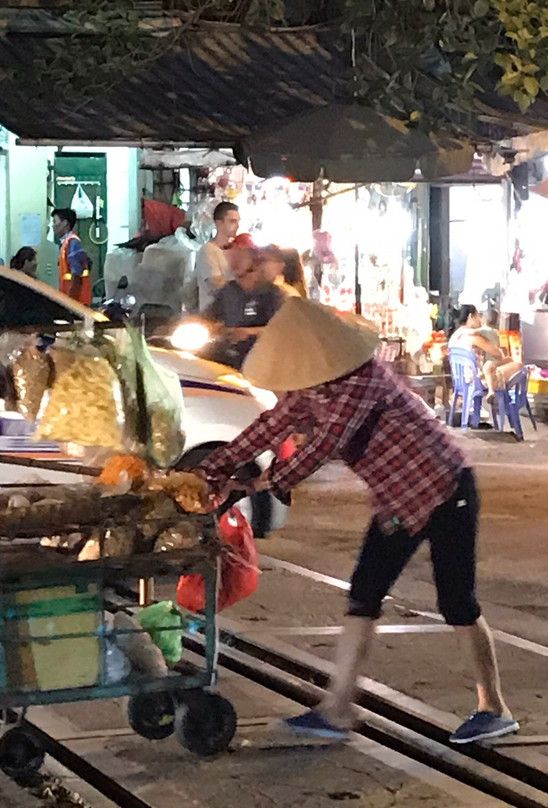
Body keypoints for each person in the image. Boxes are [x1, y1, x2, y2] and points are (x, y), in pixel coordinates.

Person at [197, 298, 517, 744]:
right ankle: (337, 708)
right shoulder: (312, 387)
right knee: (363, 596)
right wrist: (214, 468)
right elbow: (270, 426)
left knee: (457, 604)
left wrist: (260, 483)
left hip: (446, 490)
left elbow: (324, 445)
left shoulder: (364, 380)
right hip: (396, 502)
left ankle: (493, 708)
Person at [202, 240, 287, 369]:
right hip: (223, 354)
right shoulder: (229, 291)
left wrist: (250, 332)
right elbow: (208, 316)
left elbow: (282, 329)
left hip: (257, 358)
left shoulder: (274, 294)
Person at [449, 305, 518, 403]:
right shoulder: (474, 336)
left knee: (505, 363)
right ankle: (507, 403)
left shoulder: (454, 337)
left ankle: (502, 401)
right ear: (471, 316)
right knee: (517, 366)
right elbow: (497, 354)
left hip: (459, 381)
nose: (480, 319)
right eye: (478, 315)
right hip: (475, 381)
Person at [195, 201, 241, 311]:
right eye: (232, 221)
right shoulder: (208, 250)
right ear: (219, 223)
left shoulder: (235, 250)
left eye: (238, 222)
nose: (237, 226)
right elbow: (216, 283)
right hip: (213, 315)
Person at [53, 207, 92, 305]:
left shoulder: (72, 243)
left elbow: (76, 276)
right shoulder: (67, 244)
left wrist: (70, 302)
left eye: (55, 221)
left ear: (65, 223)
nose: (52, 226)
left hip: (77, 303)